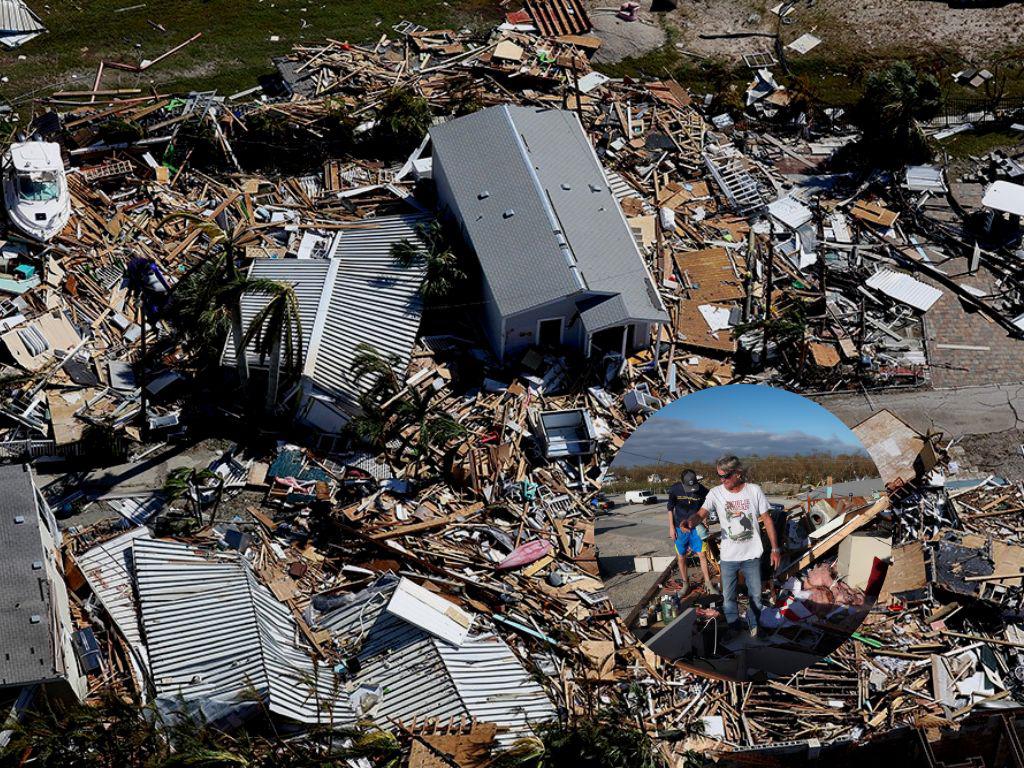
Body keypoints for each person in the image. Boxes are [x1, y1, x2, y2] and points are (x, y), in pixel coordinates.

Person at [684, 456, 781, 638]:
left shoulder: (754, 490)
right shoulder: (715, 493)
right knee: (728, 598)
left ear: (738, 473)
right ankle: (734, 628)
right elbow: (701, 513)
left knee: (756, 597)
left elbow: (767, 520)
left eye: (726, 476)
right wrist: (690, 522)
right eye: (719, 476)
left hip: (752, 556)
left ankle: (754, 626)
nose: (722, 480)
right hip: (728, 557)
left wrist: (775, 549)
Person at [667, 469, 716, 595]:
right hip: (680, 529)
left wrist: (705, 520)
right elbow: (670, 508)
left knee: (702, 556)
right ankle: (685, 584)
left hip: (697, 528)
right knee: (681, 557)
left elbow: (708, 504)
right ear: (682, 483)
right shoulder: (675, 489)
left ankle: (708, 583)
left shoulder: (702, 489)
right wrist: (671, 527)